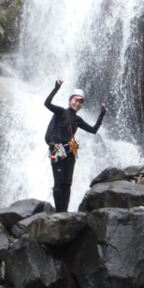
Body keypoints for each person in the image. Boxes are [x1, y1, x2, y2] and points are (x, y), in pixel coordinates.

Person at [44, 79, 107, 212]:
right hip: (58, 150)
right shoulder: (61, 112)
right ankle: (59, 212)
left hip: (70, 152)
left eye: (80, 102)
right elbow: (47, 103)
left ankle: (64, 212)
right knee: (59, 183)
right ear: (70, 100)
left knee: (67, 183)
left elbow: (93, 130)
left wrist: (102, 114)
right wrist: (56, 88)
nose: (77, 103)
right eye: (75, 100)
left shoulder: (77, 120)